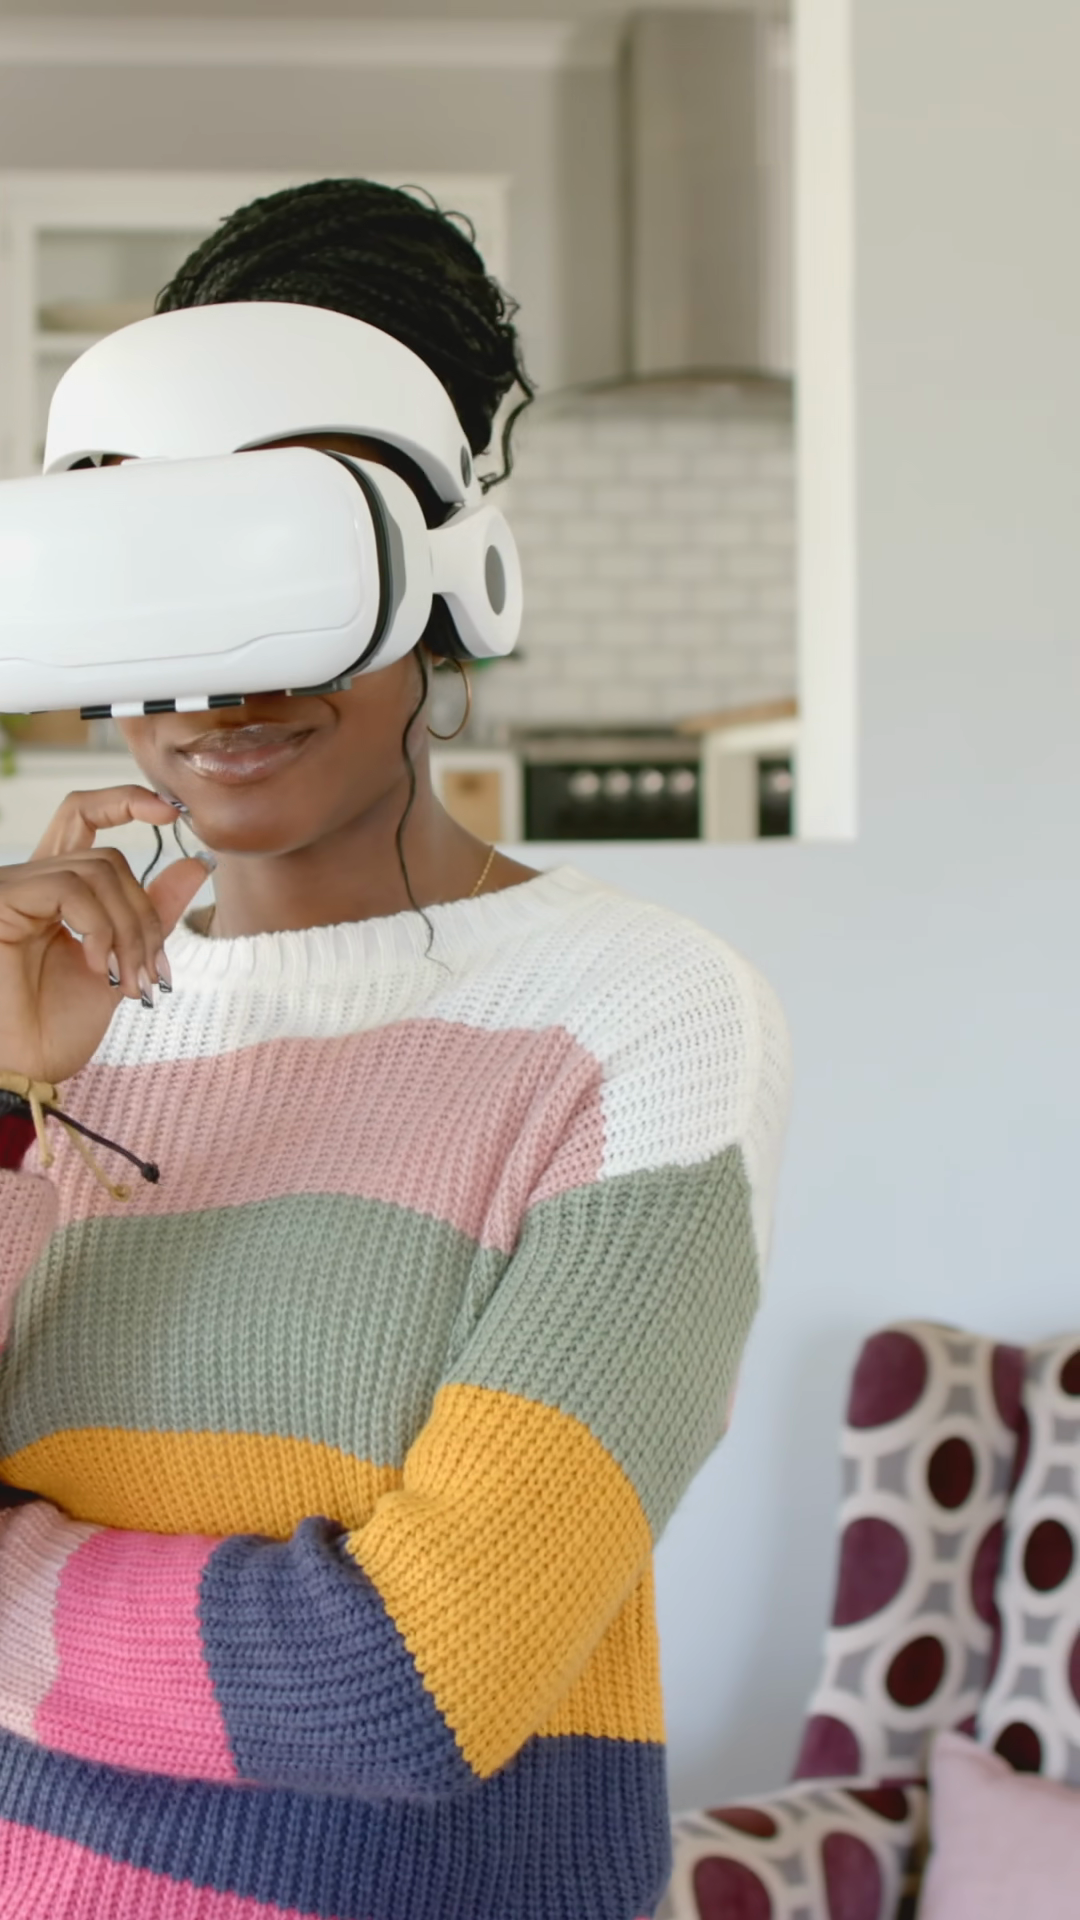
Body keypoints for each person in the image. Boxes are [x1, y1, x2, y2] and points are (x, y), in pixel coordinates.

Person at [0, 178, 791, 1920]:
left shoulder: (641, 1018)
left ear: (446, 570)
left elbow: (406, 1684)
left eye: (296, 561)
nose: (223, 682)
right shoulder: (41, 1014)